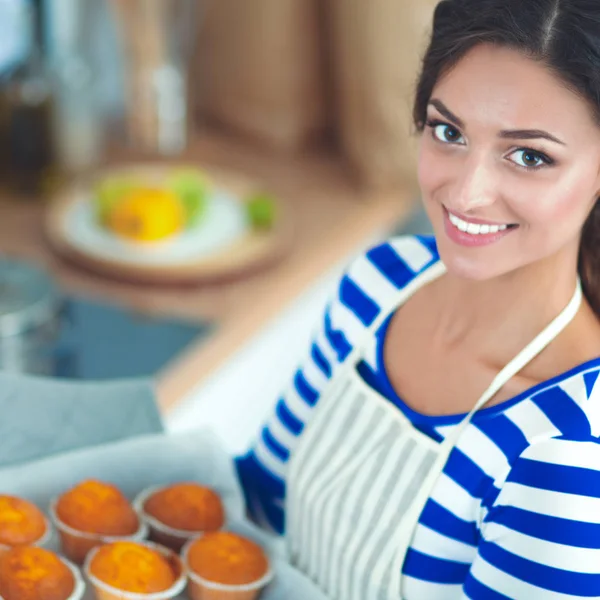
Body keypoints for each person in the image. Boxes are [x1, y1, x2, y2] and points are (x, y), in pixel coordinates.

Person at [236, 0, 600, 597]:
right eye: (448, 131)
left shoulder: (569, 453)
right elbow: (258, 500)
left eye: (529, 156)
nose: (467, 192)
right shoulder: (376, 287)